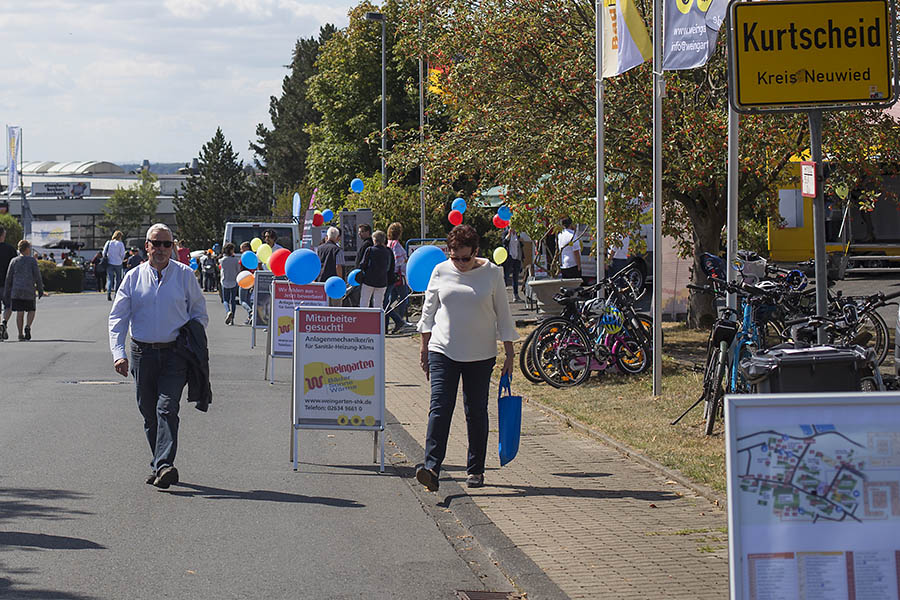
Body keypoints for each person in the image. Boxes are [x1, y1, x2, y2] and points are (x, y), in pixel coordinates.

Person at [415, 224, 518, 491]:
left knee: (476, 411)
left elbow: (504, 315)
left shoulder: (493, 274)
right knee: (439, 407)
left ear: (476, 252)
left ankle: (476, 470)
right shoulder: (440, 270)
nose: (460, 263)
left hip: (480, 354)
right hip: (443, 350)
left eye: (465, 257)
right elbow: (428, 313)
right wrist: (424, 347)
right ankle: (431, 468)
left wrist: (509, 352)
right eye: (454, 257)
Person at [108, 223, 209, 489]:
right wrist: (119, 353)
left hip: (175, 353)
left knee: (167, 408)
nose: (162, 249)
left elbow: (199, 313)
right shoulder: (132, 277)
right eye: (157, 243)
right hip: (142, 354)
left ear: (173, 247)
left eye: (167, 244)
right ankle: (159, 464)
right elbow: (118, 317)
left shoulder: (185, 275)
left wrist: (192, 337)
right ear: (147, 246)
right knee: (149, 413)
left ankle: (164, 465)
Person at [3, 239, 45, 341]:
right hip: (29, 290)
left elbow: (9, 277)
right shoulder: (32, 261)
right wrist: (40, 289)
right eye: (29, 248)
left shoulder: (14, 261)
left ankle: (20, 334)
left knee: (19, 312)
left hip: (16, 291)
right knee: (31, 310)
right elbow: (37, 276)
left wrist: (7, 291)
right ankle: (28, 326)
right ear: (26, 249)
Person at [384, 222, 415, 333]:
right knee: (403, 299)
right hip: (398, 276)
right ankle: (399, 320)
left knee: (390, 300)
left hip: (391, 276)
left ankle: (388, 322)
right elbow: (397, 261)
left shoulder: (388, 243)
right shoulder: (396, 245)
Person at [358, 230, 395, 309]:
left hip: (368, 280)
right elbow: (389, 267)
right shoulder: (388, 251)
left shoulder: (370, 250)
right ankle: (378, 320)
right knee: (378, 304)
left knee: (364, 302)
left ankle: (363, 320)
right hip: (382, 281)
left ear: (374, 240)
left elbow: (362, 264)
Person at [503, 226, 530, 302]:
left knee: (516, 276)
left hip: (517, 257)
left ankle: (516, 295)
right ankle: (502, 295)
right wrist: (509, 234)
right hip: (509, 257)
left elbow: (520, 245)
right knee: (506, 276)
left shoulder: (517, 234)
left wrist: (521, 240)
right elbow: (504, 242)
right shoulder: (506, 233)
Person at [0, 226, 17, 341]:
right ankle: (4, 323)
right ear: (2, 235)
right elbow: (16, 266)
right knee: (8, 306)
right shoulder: (10, 249)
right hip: (6, 283)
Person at [219, 243, 241, 325]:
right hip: (234, 281)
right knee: (233, 300)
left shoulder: (222, 260)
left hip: (225, 281)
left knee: (225, 300)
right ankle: (232, 319)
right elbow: (238, 270)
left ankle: (228, 311)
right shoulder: (235, 260)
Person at [103, 230, 127, 301]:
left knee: (110, 279)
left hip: (110, 263)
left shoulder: (109, 243)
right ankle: (116, 294)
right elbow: (122, 254)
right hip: (118, 263)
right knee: (118, 279)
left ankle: (109, 293)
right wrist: (121, 259)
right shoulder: (120, 244)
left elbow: (104, 252)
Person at [237, 241, 254, 325]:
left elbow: (240, 267)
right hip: (251, 279)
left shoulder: (245, 257)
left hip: (244, 279)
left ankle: (251, 312)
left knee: (242, 301)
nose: (241, 250)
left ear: (247, 248)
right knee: (248, 299)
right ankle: (250, 317)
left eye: (242, 248)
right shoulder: (253, 256)